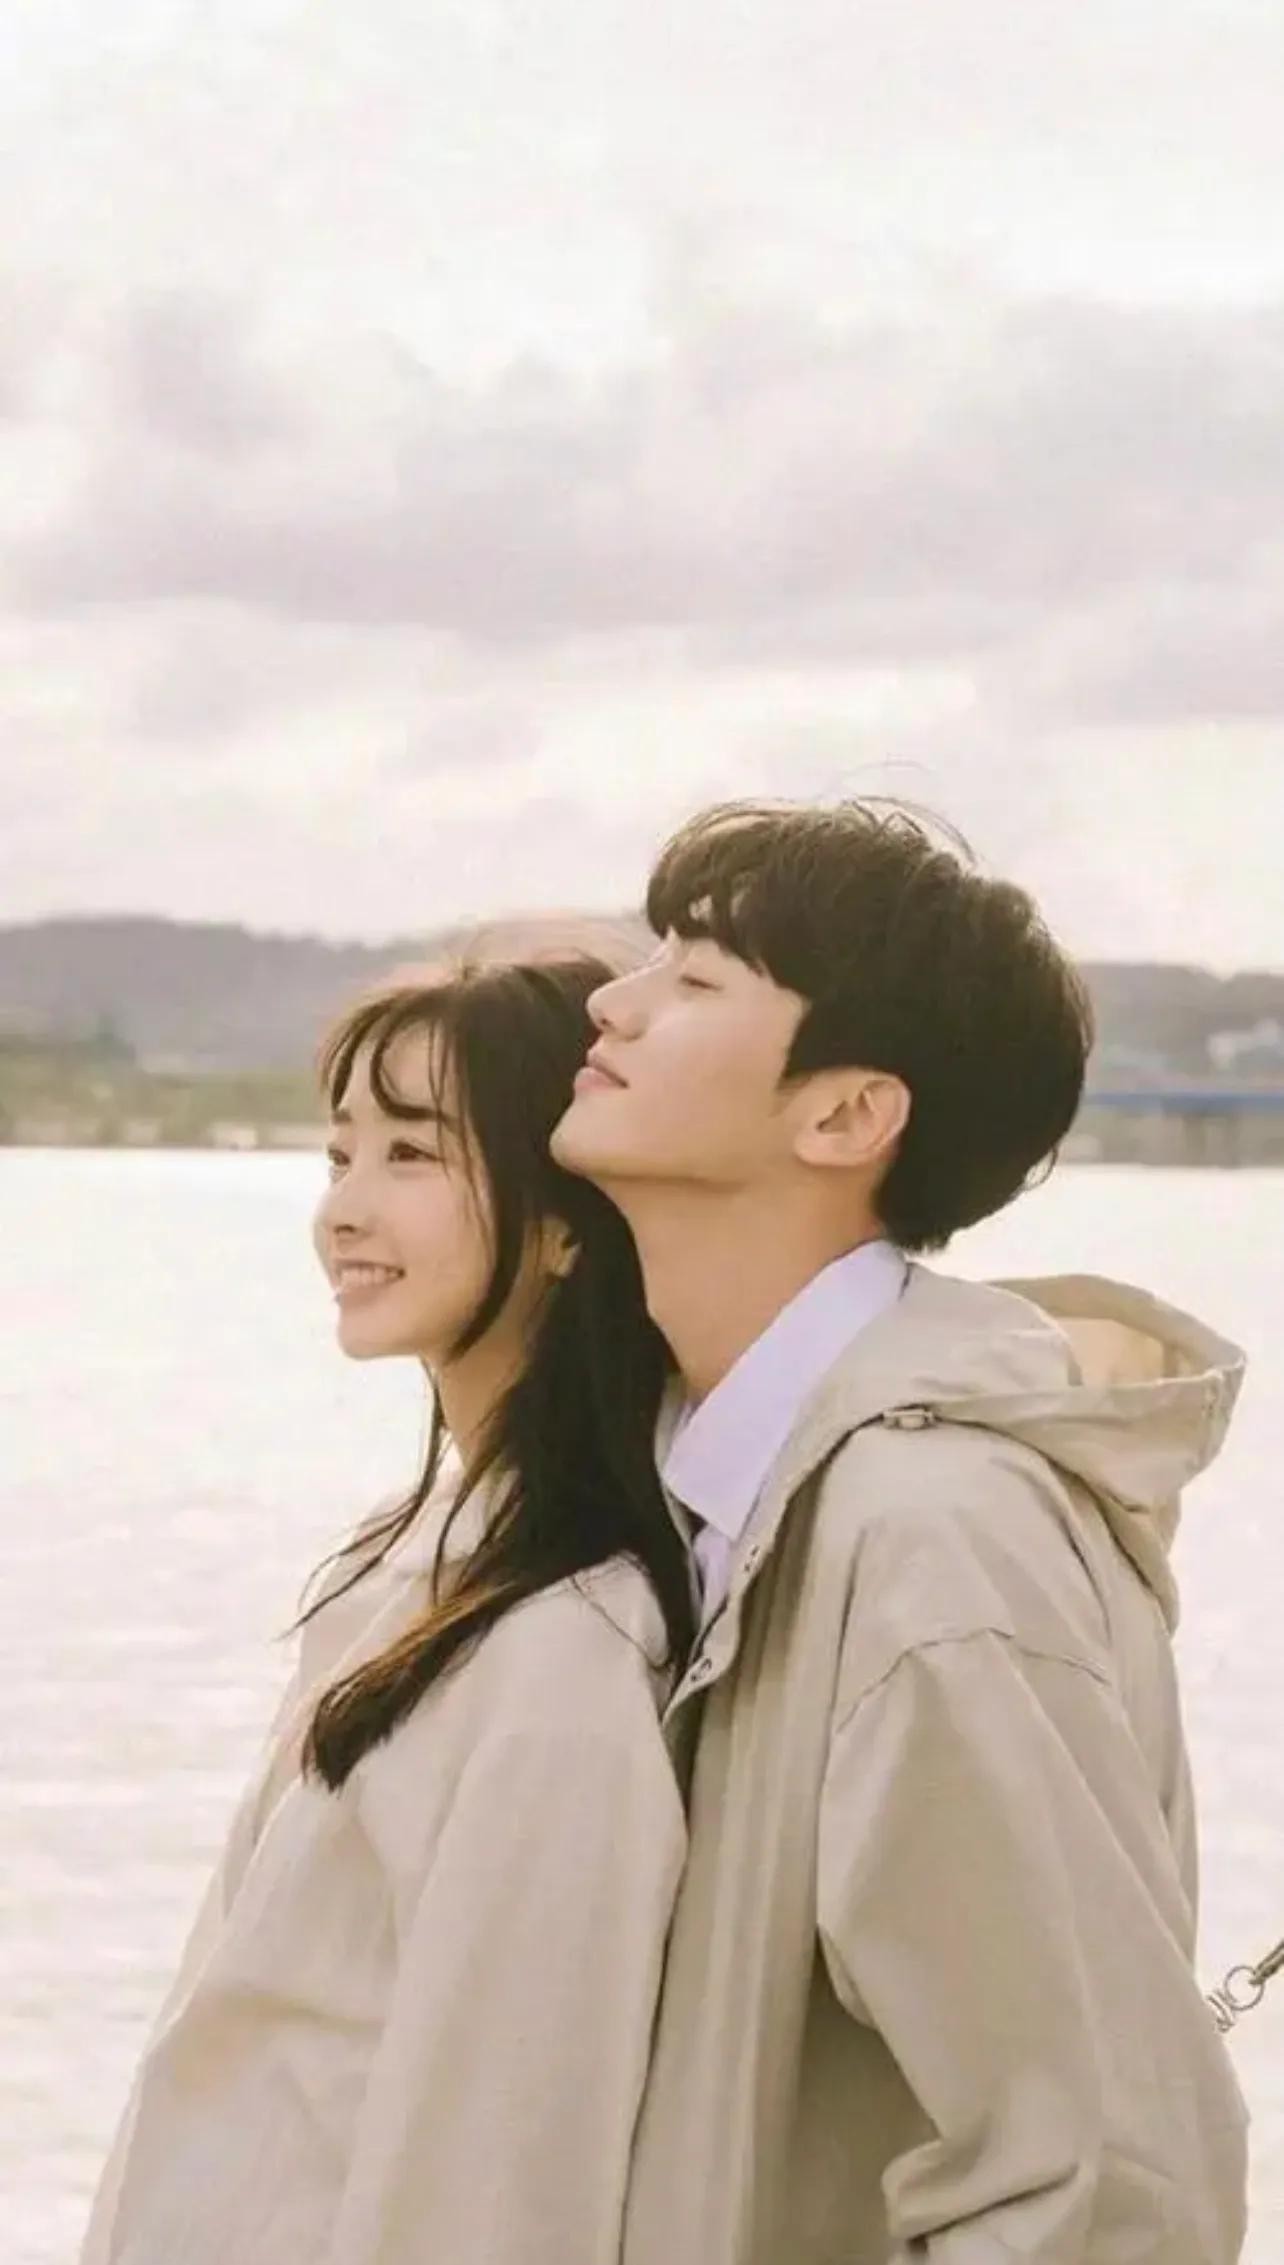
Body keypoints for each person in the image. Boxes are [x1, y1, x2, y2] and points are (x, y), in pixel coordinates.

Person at [552, 798, 1250, 2264]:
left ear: (846, 1116)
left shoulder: (938, 1539)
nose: (614, 1001)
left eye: (695, 978)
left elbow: (1102, 2183)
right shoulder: (704, 1479)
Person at [81, 949, 696, 2265]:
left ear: (565, 1222)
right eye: (339, 1155)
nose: (343, 1213)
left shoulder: (563, 1652)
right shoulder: (405, 1562)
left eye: (411, 1156)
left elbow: (504, 2167)